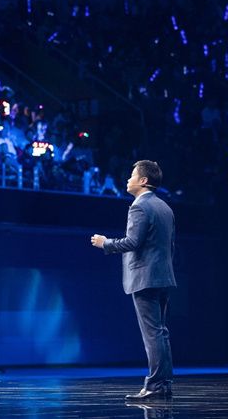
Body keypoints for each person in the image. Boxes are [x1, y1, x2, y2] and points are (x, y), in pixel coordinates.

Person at [90, 160, 176, 401]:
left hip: (145, 277)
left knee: (153, 335)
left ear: (143, 181)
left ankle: (156, 385)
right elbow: (170, 246)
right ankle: (163, 384)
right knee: (160, 333)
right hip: (163, 276)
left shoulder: (139, 207)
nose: (128, 179)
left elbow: (132, 242)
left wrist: (105, 243)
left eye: (132, 175)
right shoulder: (165, 207)